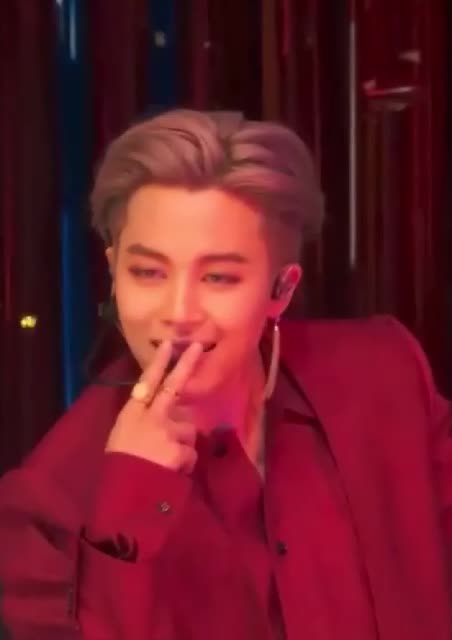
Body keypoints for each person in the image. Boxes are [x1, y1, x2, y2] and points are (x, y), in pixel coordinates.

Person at [0, 109, 451, 640]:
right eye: (148, 272)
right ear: (114, 275)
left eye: (218, 277)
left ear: (281, 290)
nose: (178, 312)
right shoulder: (42, 506)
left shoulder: (384, 376)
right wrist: (131, 503)